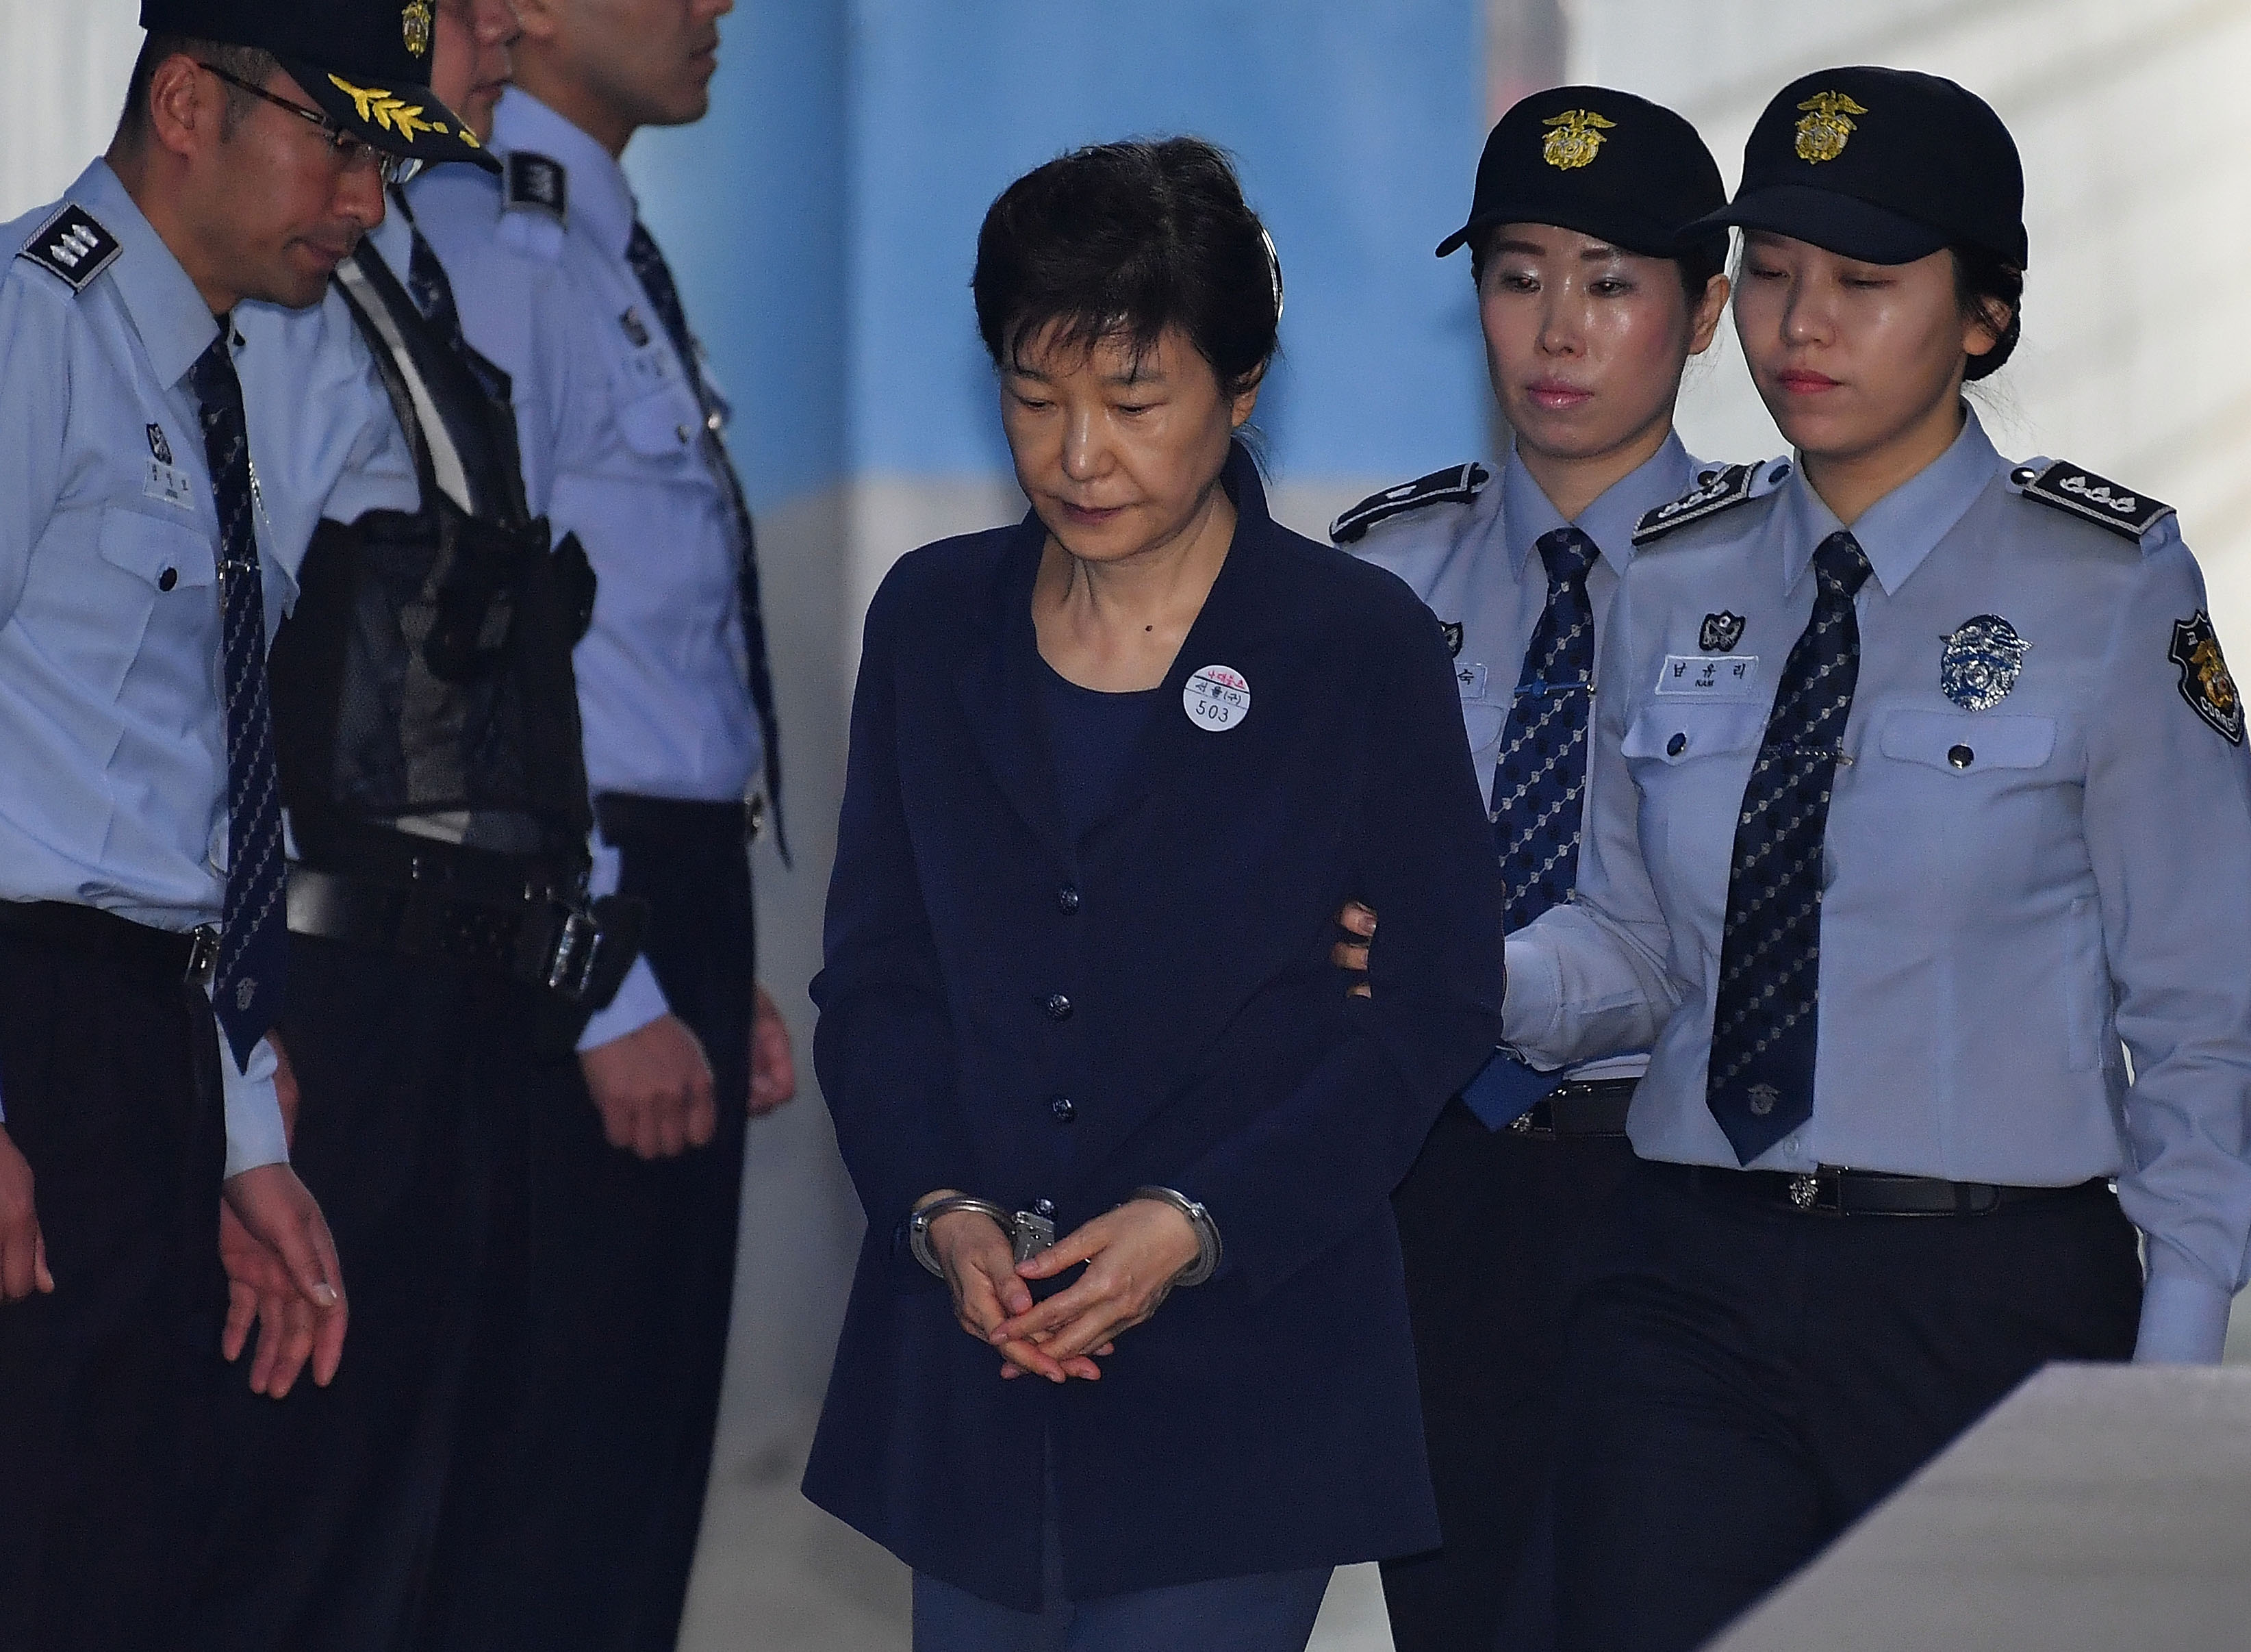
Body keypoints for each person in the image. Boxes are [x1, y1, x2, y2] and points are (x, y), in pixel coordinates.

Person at [1495, 67, 2251, 1652]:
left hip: (1988, 1303)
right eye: (1768, 273)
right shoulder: (1674, 571)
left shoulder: (2110, 587)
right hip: (1688, 1272)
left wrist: (2168, 1380)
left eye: (1863, 283)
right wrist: (1459, 966)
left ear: (1983, 315)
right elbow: (1633, 945)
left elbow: (2204, 1014)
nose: (1798, 327)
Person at [802, 137, 1508, 1652]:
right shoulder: (935, 621)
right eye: (1035, 398)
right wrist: (937, 1212)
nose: (1077, 457)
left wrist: (1196, 1223)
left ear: (1241, 390)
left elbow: (1436, 1003)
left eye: (1134, 404)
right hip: (977, 1361)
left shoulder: (1353, 644)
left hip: (1249, 1362)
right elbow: (875, 979)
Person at [0, 3, 494, 1647]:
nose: (364, 202)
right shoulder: (31, 330)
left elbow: (179, 800)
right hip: (33, 1037)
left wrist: (242, 1140)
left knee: (125, 1574)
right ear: (190, 101)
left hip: (143, 1045)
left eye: (383, 158)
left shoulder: (209, 382)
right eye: (339, 142)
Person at [181, 4, 643, 1647]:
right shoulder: (282, 316)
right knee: (308, 1516)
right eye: (467, 15)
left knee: (432, 1511)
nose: (505, 38)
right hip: (340, 999)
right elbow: (213, 679)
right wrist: (237, 1020)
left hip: (455, 1002)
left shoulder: (389, 282)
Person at [406, 2, 799, 1645]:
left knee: (638, 1470)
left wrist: (713, 961)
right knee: (558, 1493)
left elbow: (645, 651)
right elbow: (474, 658)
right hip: (572, 914)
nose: (720, 9)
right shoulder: (489, 243)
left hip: (661, 888)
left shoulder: (599, 240)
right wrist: (611, 984)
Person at [1328, 87, 1731, 1652]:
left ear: (1702, 315)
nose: (1557, 328)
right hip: (1428, 1182)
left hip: (1680, 1180)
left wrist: (1452, 967)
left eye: (1613, 281)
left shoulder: (1782, 587)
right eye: (1516, 275)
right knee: (1460, 1609)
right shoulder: (1379, 573)